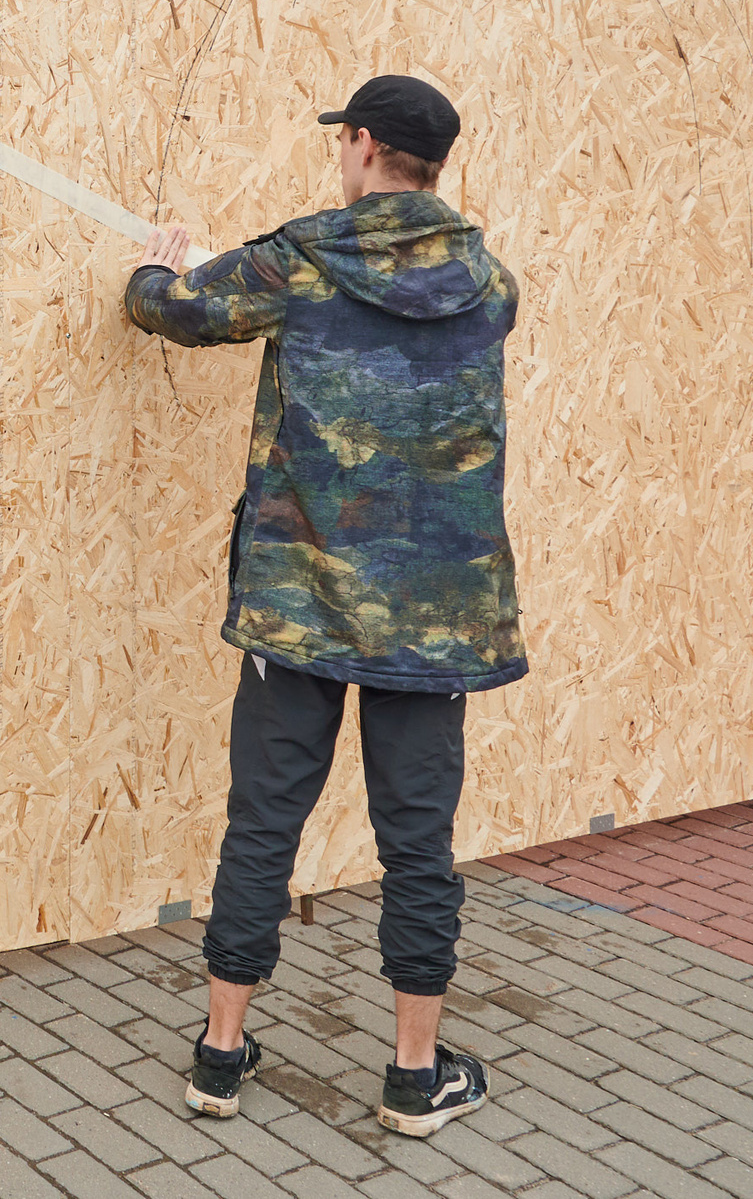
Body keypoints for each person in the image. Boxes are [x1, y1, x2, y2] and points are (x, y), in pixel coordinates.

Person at [123, 75, 523, 1138]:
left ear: (361, 144)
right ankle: (414, 1075)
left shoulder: (300, 259)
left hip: (297, 608)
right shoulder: (490, 283)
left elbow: (173, 310)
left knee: (263, 824)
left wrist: (155, 265)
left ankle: (220, 1056)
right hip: (433, 618)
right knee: (418, 845)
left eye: (342, 141)